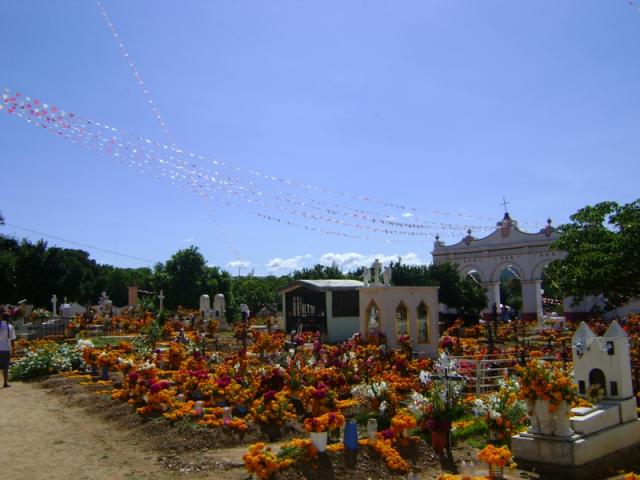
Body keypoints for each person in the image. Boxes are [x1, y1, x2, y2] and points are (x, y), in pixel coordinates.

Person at [0, 312, 16, 388]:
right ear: (9, 318)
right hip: (6, 348)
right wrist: (13, 351)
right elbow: (12, 340)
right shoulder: (10, 327)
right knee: (5, 367)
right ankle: (5, 383)